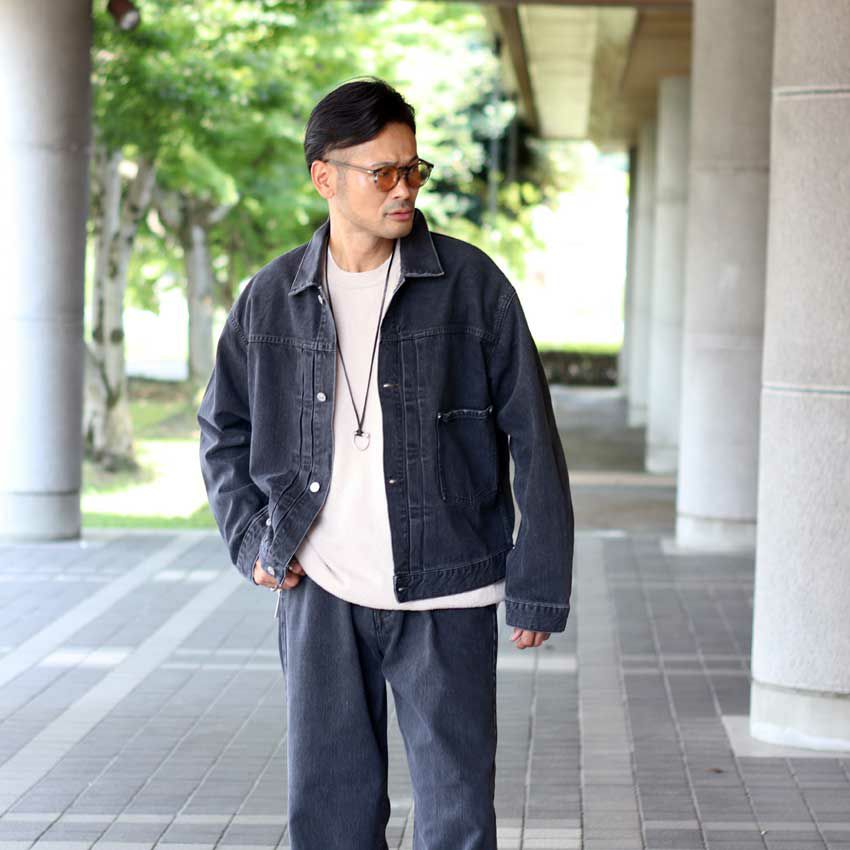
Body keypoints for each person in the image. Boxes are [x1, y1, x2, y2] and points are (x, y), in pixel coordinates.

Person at [197, 76, 574, 850]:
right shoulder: (271, 297)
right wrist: (253, 540)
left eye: (414, 169)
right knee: (329, 812)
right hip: (320, 589)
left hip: (450, 587)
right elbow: (222, 428)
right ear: (324, 177)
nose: (405, 189)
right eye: (384, 173)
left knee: (456, 813)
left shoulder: (472, 287)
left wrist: (537, 585)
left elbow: (534, 438)